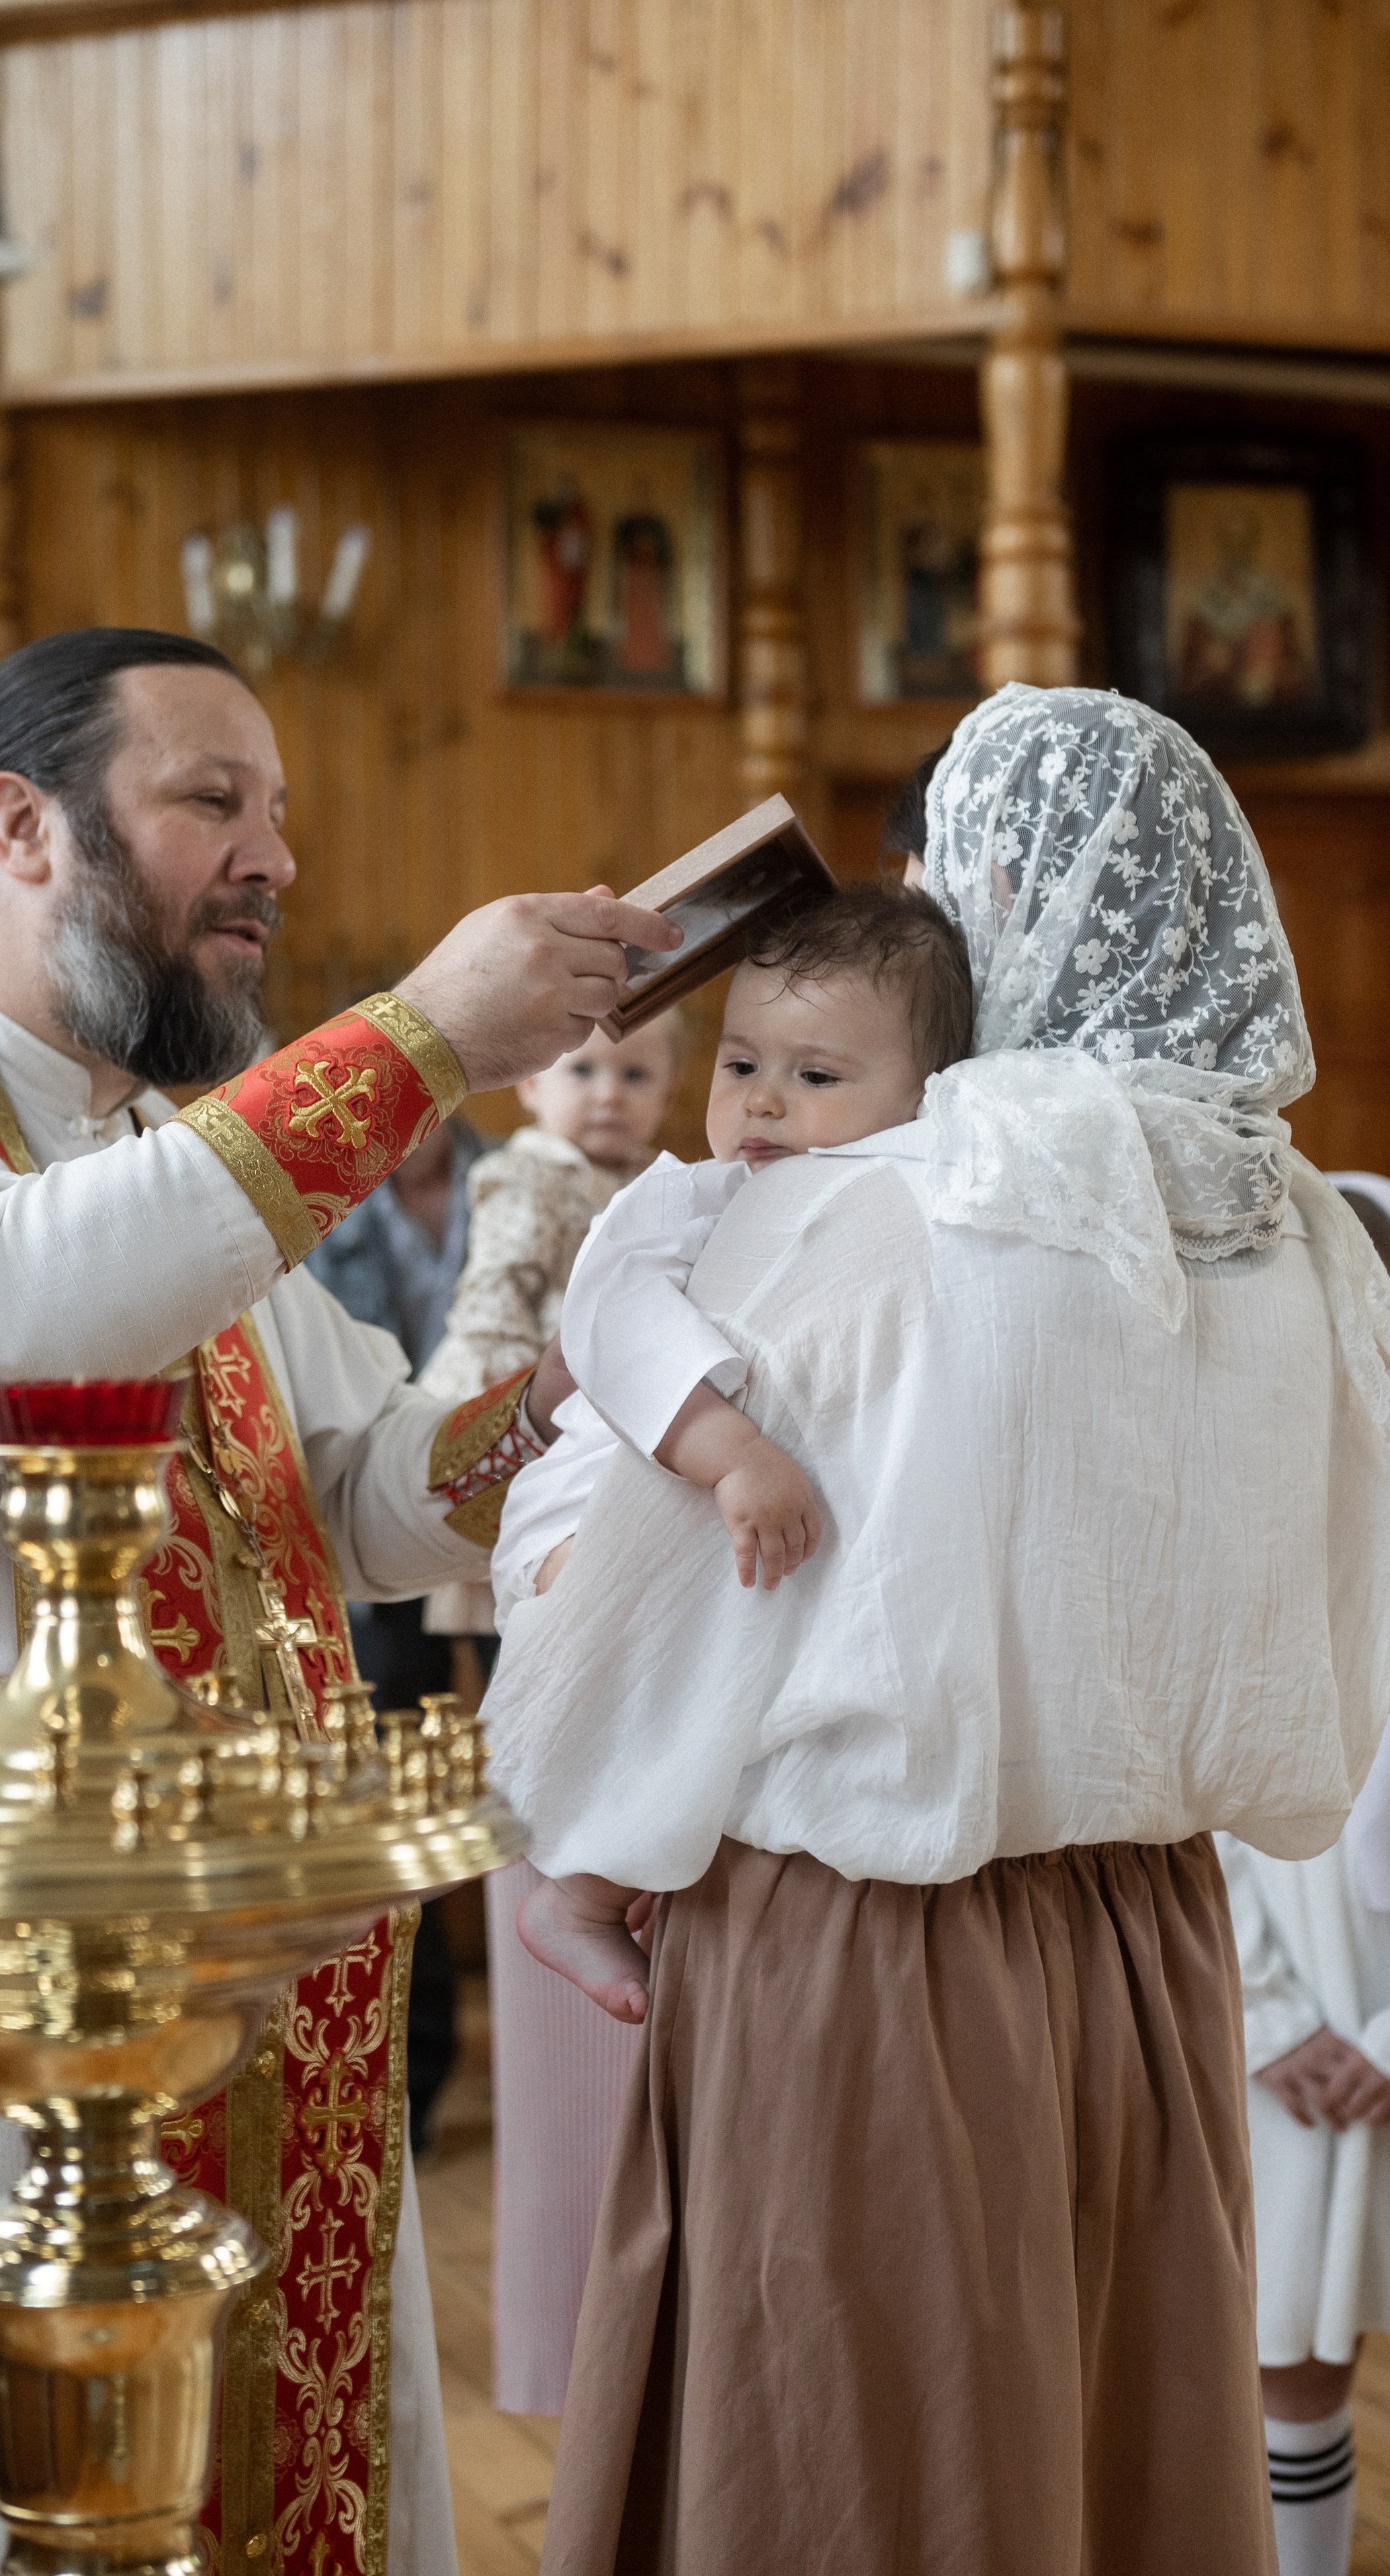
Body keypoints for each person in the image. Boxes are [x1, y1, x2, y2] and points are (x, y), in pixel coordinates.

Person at [0, 625, 679, 2576]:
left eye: (278, 810)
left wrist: (583, 1392)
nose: (273, 857)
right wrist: (409, 1048)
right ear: (23, 826)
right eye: (213, 799)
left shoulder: (151, 1148)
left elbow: (357, 1486)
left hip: (233, 2001)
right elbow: (6, 1328)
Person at [482, 683, 1390, 2576]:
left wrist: (564, 1750)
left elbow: (630, 1635)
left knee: (862, 2483)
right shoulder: (1304, 1232)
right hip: (1147, 1942)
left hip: (867, 1953)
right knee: (1097, 2467)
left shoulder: (879, 1216)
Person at [499, 884, 973, 2023]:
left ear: (925, 1101)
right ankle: (576, 1893)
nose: (762, 1100)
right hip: (590, 1501)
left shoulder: (896, 1217)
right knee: (663, 1655)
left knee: (724, 1693)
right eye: (742, 1064)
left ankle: (612, 1878)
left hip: (719, 1512)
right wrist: (732, 1456)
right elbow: (612, 1329)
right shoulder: (686, 1203)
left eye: (816, 1077)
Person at [419, 1010, 684, 2417]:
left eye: (637, 1072)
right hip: (539, 1496)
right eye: (582, 1069)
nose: (609, 1095)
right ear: (530, 1085)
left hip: (620, 1495)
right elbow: (488, 1326)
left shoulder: (659, 1187)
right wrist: (492, 1456)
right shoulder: (527, 1182)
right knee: (545, 1746)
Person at [1217, 1165, 1390, 2576]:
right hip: (1283, 2004)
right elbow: (1169, 1799)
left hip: (1380, 2011)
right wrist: (1271, 2017)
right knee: (1291, 2340)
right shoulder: (1216, 1528)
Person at [306, 1108, 491, 2151]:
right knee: (393, 1805)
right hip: (378, 1529)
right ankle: (409, 2081)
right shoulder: (320, 1204)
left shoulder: (516, 1174)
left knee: (544, 1765)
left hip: (500, 1503)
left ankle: (565, 2051)